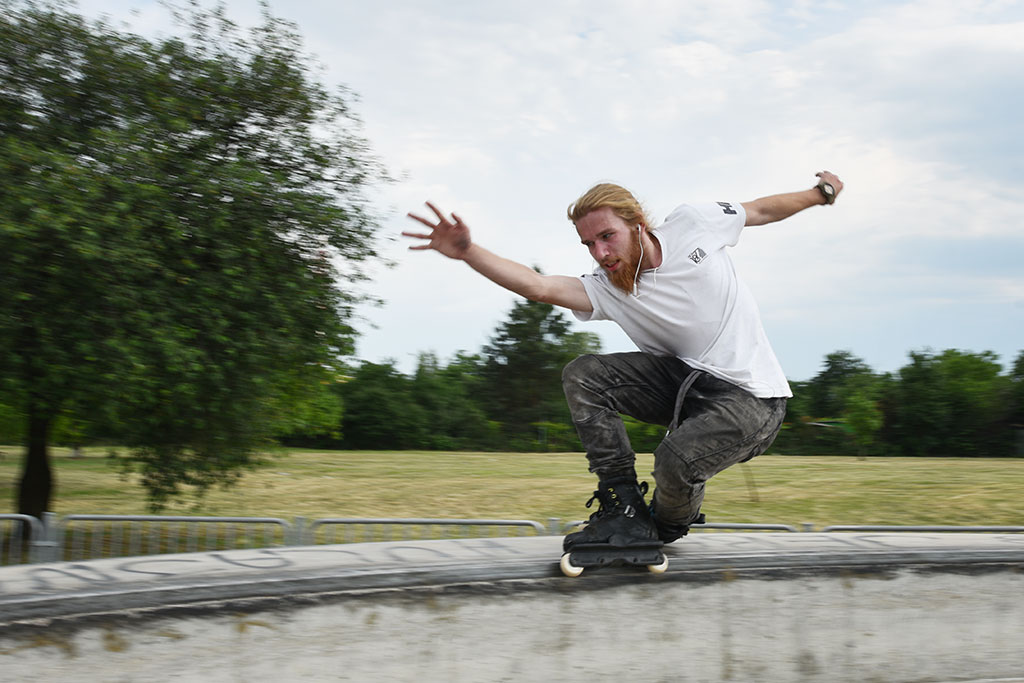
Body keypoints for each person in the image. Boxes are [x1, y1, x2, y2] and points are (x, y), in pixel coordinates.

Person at [404, 171, 844, 552]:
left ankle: (666, 523)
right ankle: (623, 503)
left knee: (674, 461)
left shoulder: (694, 223)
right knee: (584, 375)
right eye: (588, 244)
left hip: (754, 399)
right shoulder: (607, 287)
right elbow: (539, 286)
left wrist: (819, 193)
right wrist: (468, 252)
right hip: (685, 389)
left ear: (637, 225)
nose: (600, 253)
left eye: (606, 236)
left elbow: (761, 210)